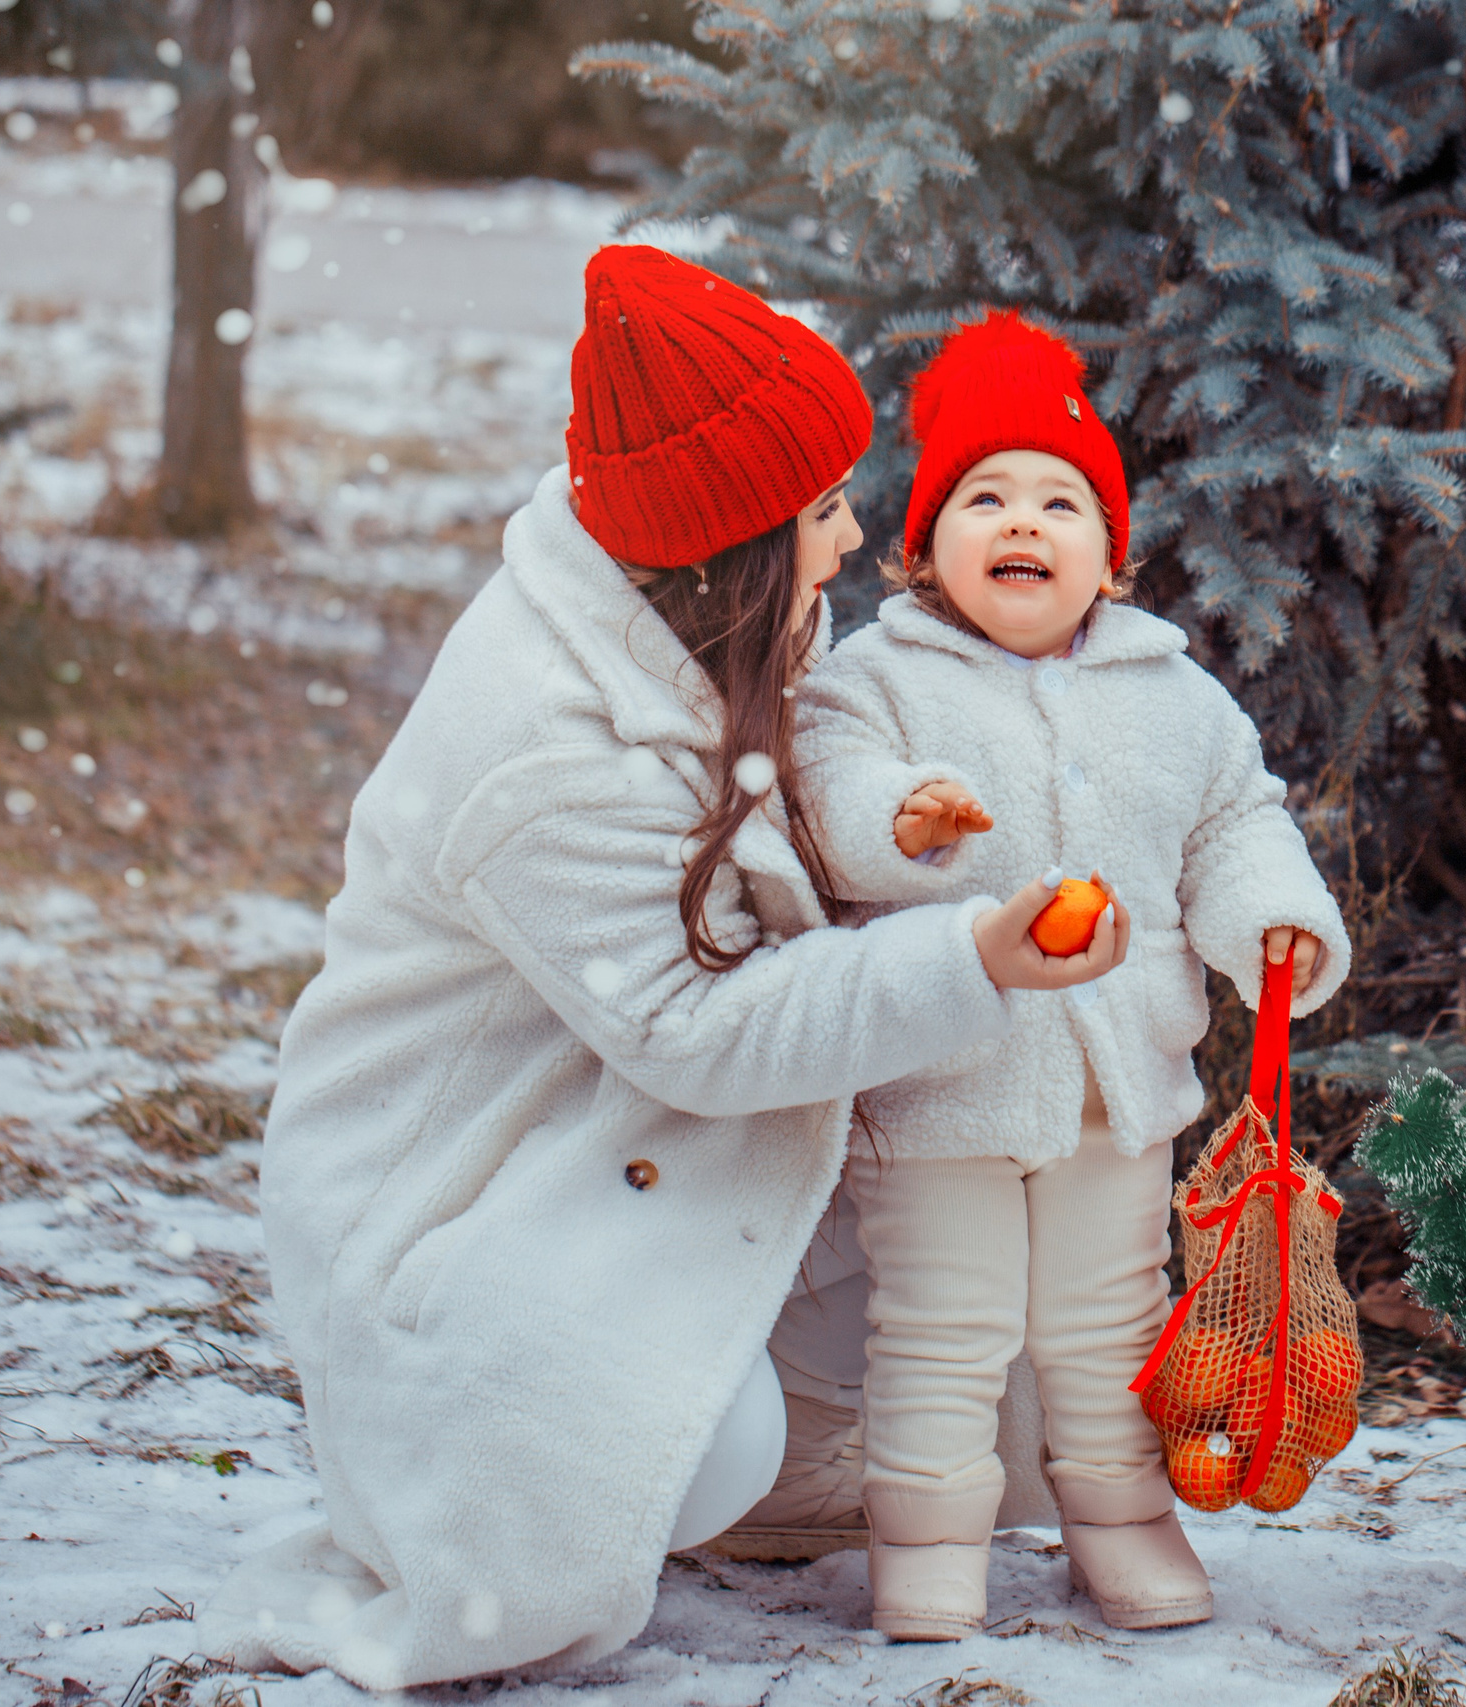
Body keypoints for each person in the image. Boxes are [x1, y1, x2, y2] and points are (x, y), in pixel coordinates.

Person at [196, 248, 1122, 1690]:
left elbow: (799, 812)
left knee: (966, 1369)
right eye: (824, 509)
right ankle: (613, 1467)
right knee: (691, 1449)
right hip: (460, 1203)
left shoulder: (696, 606)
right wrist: (972, 956)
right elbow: (698, 1031)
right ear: (737, 542)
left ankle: (751, 1445)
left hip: (602, 1132)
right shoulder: (549, 756)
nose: (854, 531)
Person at [792, 313, 1350, 1641]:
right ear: (923, 550)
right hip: (942, 1082)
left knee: (1110, 1327)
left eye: (1059, 500)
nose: (1021, 522)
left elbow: (1235, 818)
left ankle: (1120, 1518)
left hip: (1121, 1083)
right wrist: (904, 817)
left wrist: (1271, 917)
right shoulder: (876, 679)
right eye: (983, 498)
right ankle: (924, 1541)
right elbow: (834, 788)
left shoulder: (1175, 694)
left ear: (1115, 554)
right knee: (943, 1328)